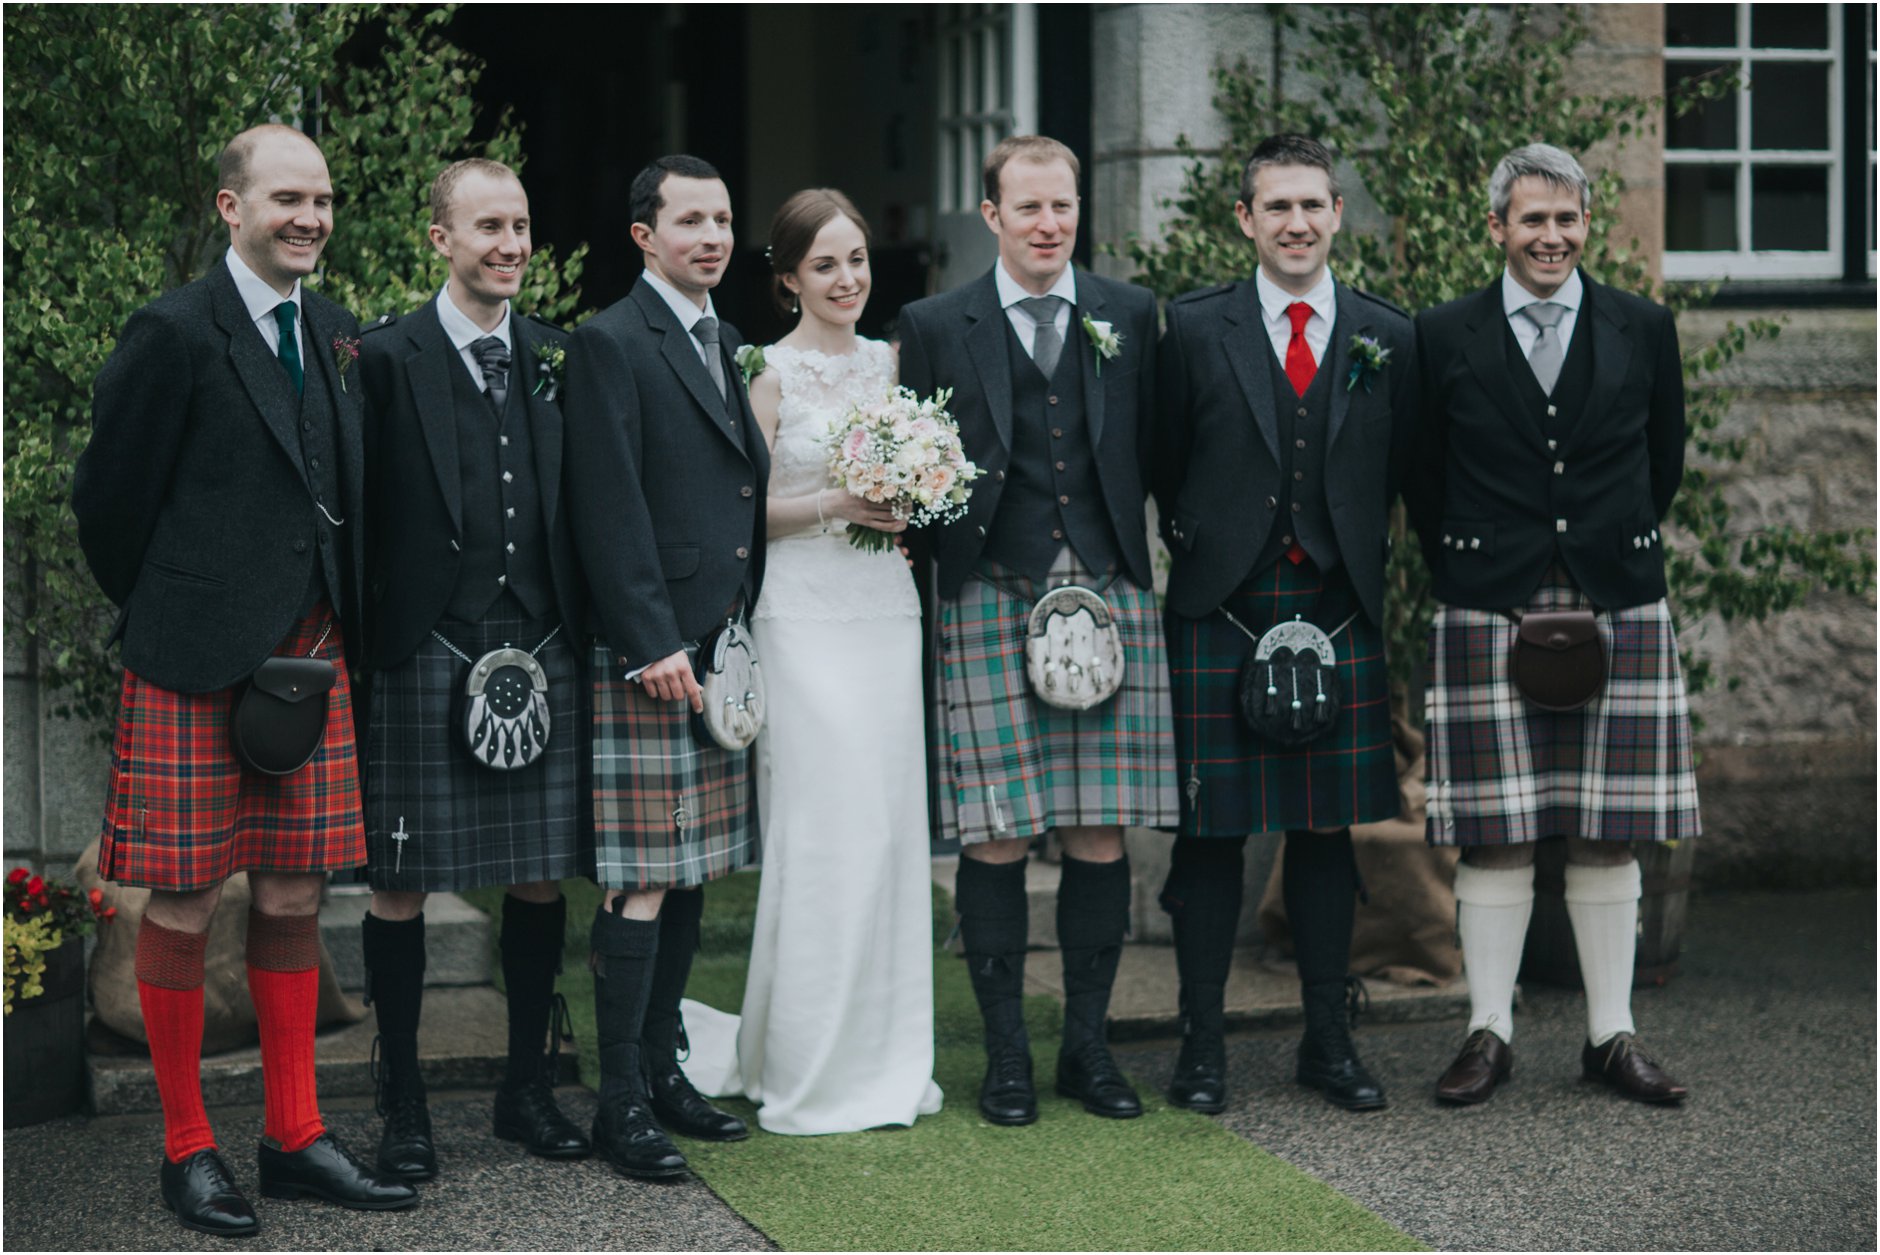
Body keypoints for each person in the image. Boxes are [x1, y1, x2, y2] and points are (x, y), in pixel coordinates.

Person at [73, 124, 417, 1237]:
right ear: (231, 208)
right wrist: (180, 602)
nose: (309, 217)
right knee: (179, 899)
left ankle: (293, 1135)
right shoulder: (173, 332)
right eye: (285, 199)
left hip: (307, 661)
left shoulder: (334, 332)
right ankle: (187, 1150)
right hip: (189, 657)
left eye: (320, 198)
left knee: (292, 892)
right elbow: (107, 506)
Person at [1407, 142, 1695, 1105]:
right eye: (1532, 219)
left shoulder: (1642, 325)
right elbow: (1423, 472)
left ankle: (1611, 1034)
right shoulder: (1442, 334)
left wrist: (1600, 549)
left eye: (1567, 219)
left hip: (1618, 595)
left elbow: (1665, 460)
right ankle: (1488, 1029)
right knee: (1495, 832)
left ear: (1587, 224)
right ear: (1496, 228)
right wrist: (1475, 565)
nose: (1552, 237)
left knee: (1611, 828)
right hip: (1490, 601)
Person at [898, 135, 1177, 1126]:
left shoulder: (1130, 314)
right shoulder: (934, 324)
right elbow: (915, 459)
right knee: (996, 831)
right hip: (987, 587)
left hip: (1105, 582)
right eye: (1028, 209)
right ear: (991, 216)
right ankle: (1007, 1058)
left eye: (1061, 206)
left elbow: (1157, 446)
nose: (1048, 224)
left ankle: (1088, 1052)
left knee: (1099, 827)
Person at [1152, 133, 1416, 1114]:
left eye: (1311, 205)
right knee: (1208, 837)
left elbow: (1404, 470)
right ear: (1244, 219)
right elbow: (1162, 455)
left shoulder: (1390, 334)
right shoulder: (1191, 328)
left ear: (1337, 212)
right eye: (1275, 207)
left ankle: (1328, 1039)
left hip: (1336, 603)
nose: (1295, 223)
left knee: (1323, 833)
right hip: (1222, 602)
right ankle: (1201, 1046)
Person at [683, 189, 944, 1134]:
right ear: (788, 278)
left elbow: (930, 481)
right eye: (826, 264)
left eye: (859, 260)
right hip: (801, 616)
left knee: (885, 832)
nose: (848, 279)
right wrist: (841, 502)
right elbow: (742, 508)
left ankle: (885, 1052)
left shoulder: (896, 364)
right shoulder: (768, 372)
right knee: (819, 836)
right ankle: (800, 1060)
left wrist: (915, 498)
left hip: (886, 611)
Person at [356, 159, 589, 1180]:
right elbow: (357, 516)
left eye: (522, 225)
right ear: (439, 238)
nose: (511, 244)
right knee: (400, 880)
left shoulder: (560, 359)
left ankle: (525, 1085)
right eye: (488, 225)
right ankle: (402, 1099)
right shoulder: (382, 358)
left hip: (541, 640)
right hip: (422, 645)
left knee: (538, 876)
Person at [562, 154, 766, 1177]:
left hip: (718, 639)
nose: (712, 236)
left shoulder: (722, 337)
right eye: (690, 220)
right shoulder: (608, 341)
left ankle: (664, 1066)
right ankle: (619, 1102)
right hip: (652, 652)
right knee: (641, 880)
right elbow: (605, 502)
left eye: (722, 219)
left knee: (691, 877)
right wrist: (649, 642)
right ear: (644, 234)